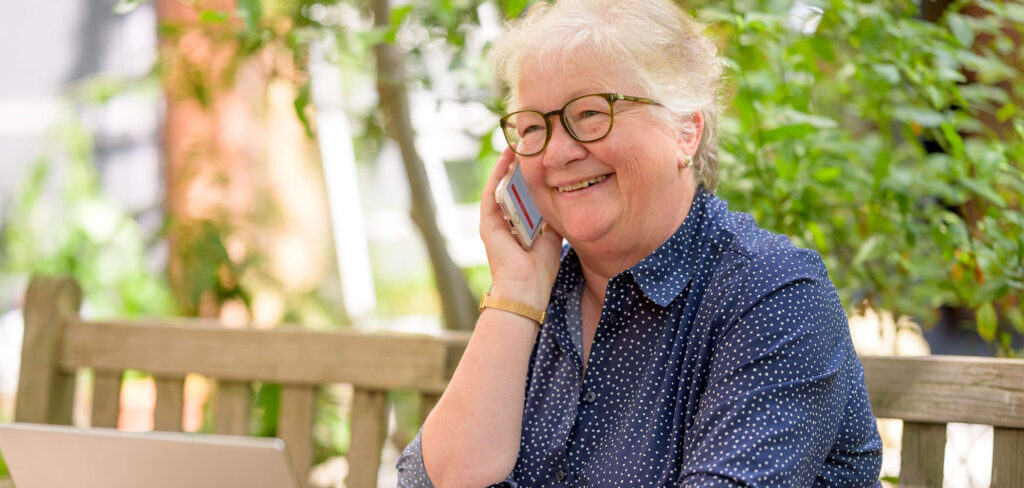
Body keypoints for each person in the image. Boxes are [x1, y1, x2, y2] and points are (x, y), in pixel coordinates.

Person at [397, 0, 883, 486]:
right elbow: (433, 481)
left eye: (590, 113)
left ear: (685, 132)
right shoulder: (537, 299)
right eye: (532, 127)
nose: (558, 152)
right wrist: (516, 292)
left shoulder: (775, 294)